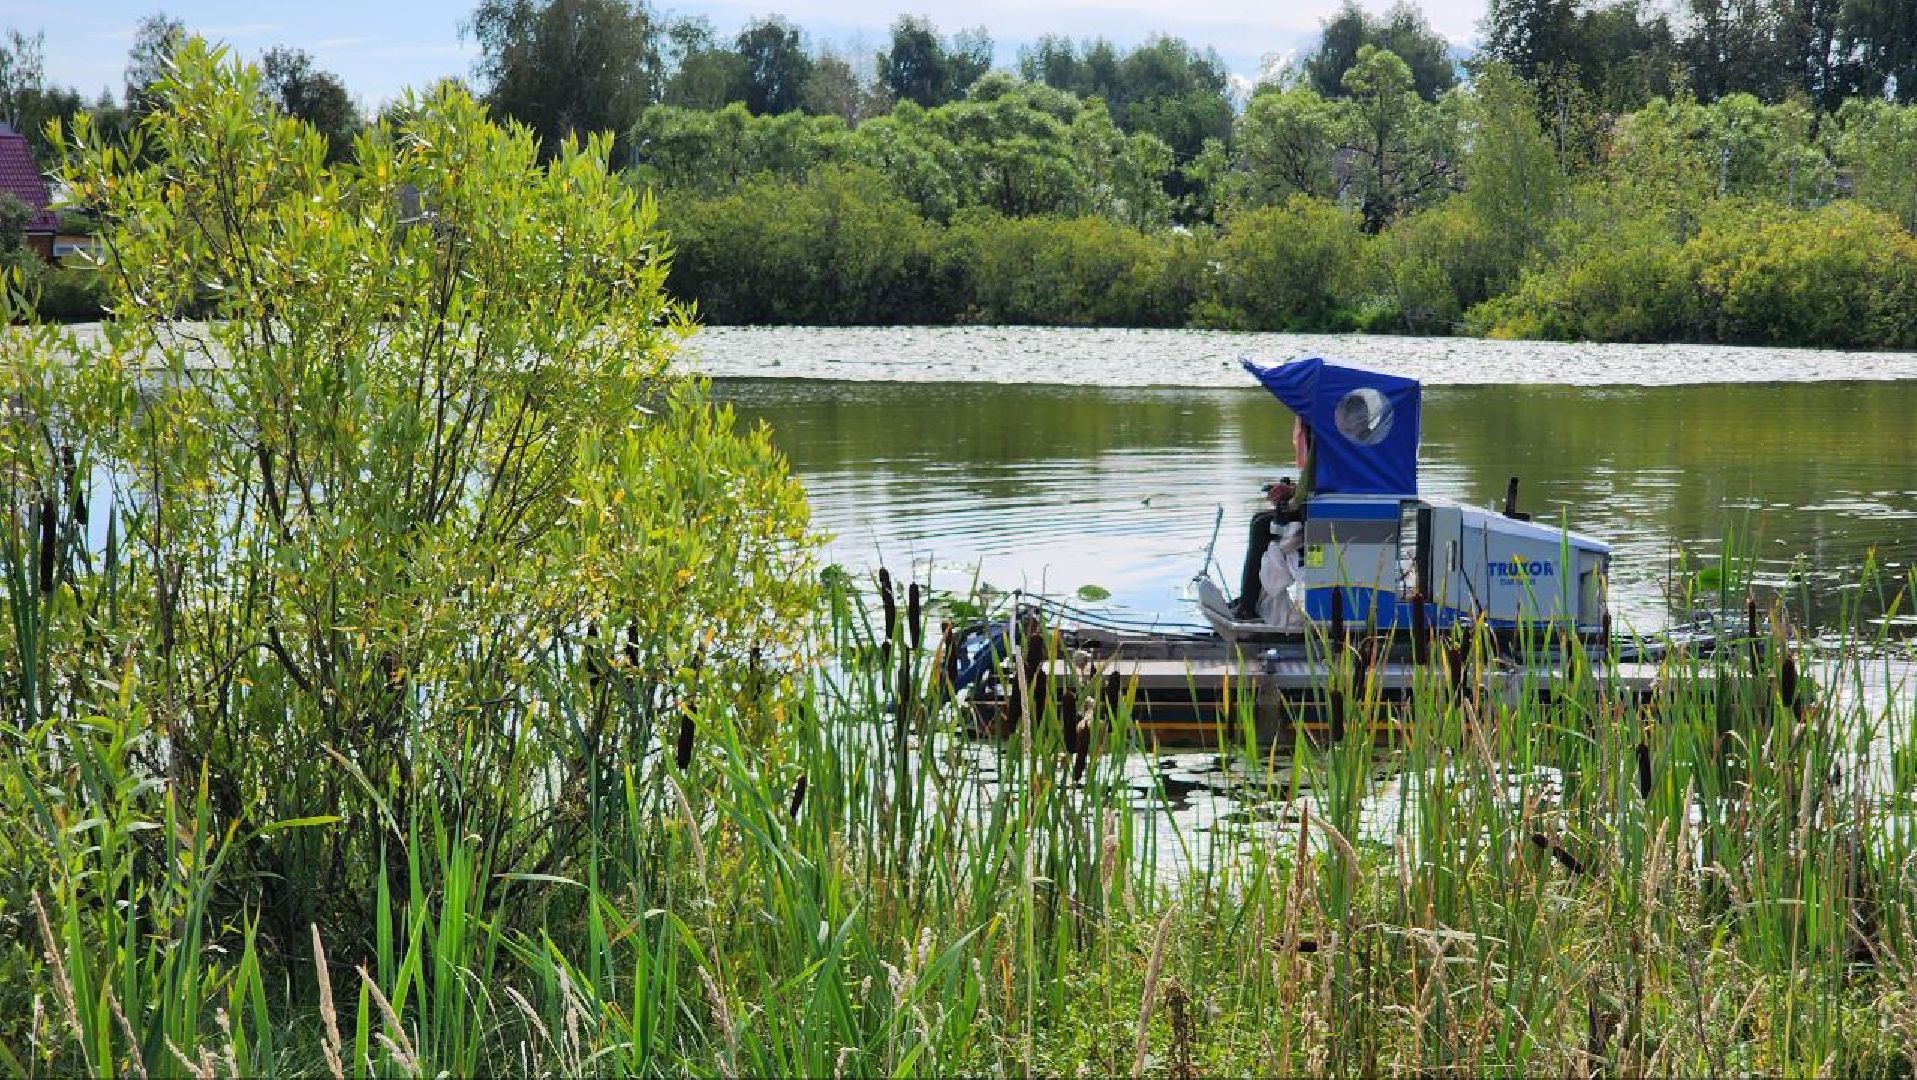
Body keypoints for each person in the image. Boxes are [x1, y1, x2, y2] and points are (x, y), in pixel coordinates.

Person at [1233, 477, 1302, 620]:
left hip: (1321, 514)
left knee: (1261, 525)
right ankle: (1247, 600)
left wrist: (1291, 491)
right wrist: (1293, 491)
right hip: (1318, 508)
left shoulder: (1321, 456)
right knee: (1257, 519)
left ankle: (1247, 606)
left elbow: (1319, 485)